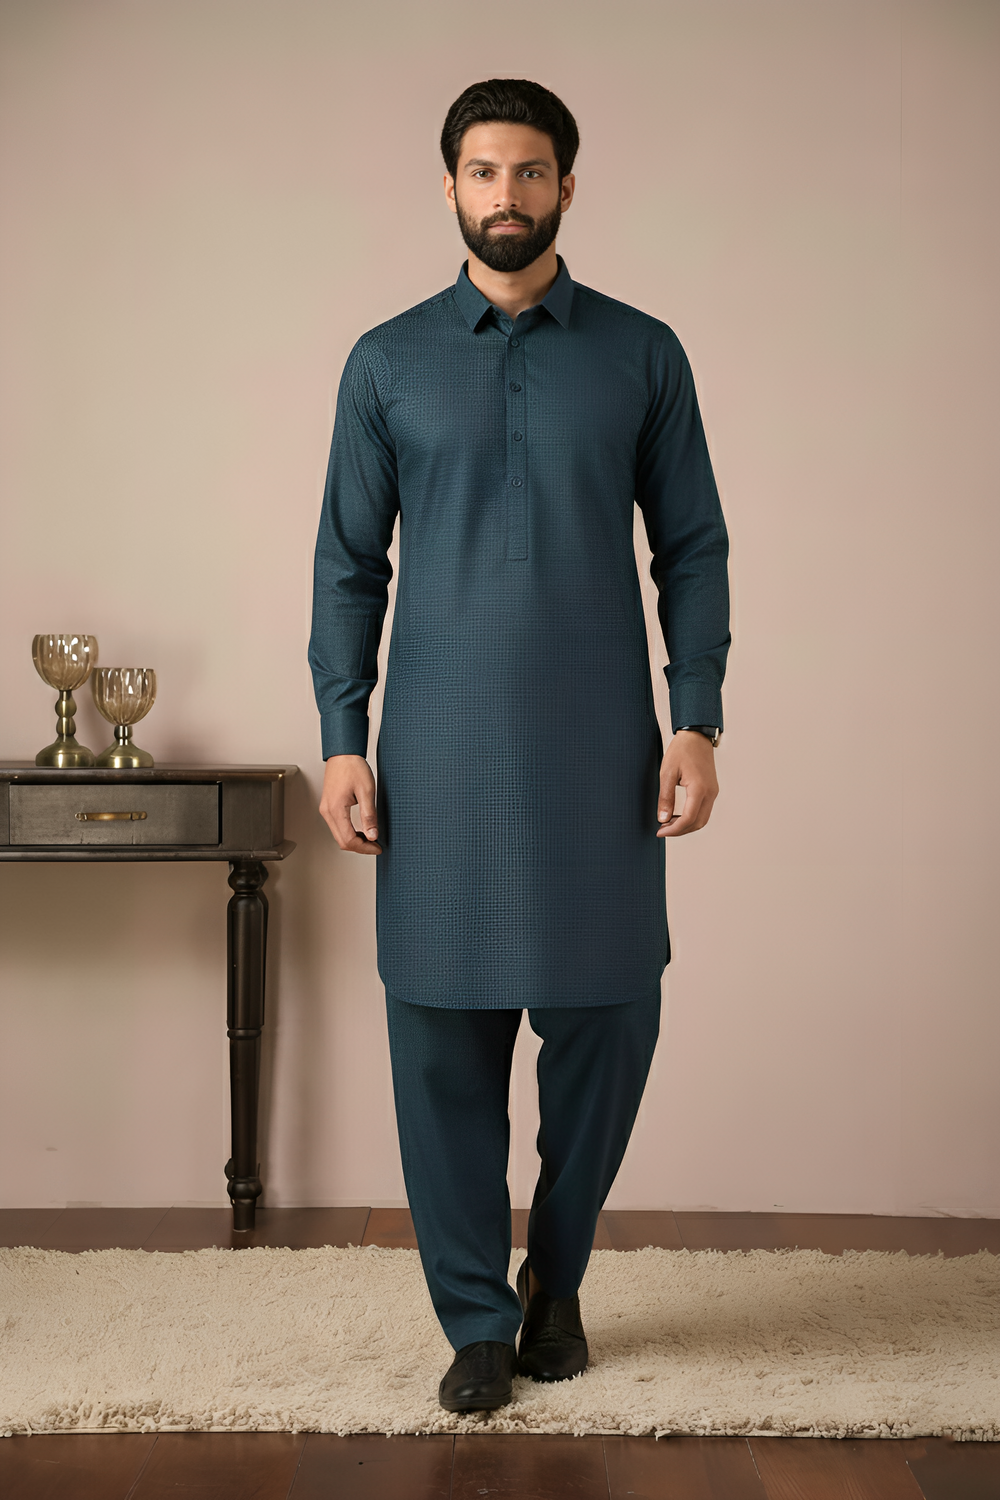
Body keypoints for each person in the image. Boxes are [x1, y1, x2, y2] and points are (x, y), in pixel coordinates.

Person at [309, 78, 730, 1414]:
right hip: (435, 752)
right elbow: (347, 566)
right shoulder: (386, 363)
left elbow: (692, 547)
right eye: (485, 171)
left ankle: (557, 1276)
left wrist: (699, 717)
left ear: (567, 188)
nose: (508, 194)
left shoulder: (641, 354)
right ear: (450, 187)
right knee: (441, 1039)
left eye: (531, 171)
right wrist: (342, 737)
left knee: (610, 1016)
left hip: (602, 747)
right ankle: (477, 1323)